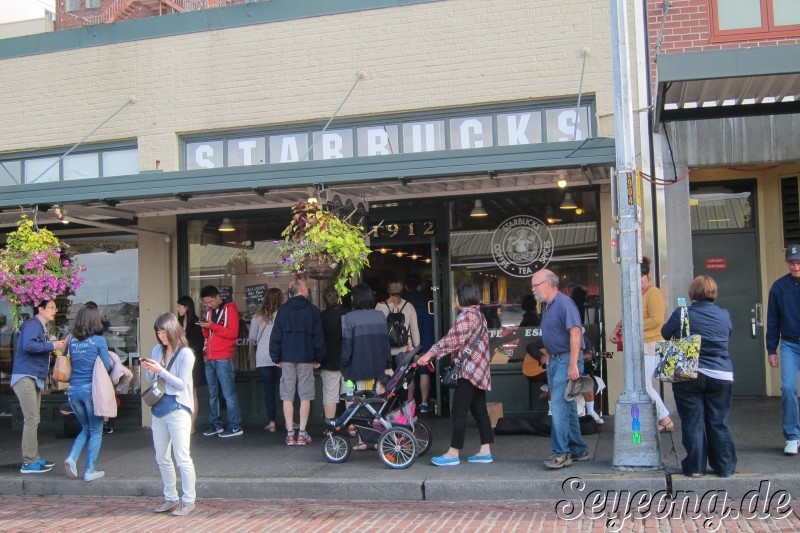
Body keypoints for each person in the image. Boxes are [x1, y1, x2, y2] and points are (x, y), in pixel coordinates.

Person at [662, 275, 735, 478]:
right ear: (714, 292)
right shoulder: (724, 314)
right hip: (721, 373)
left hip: (689, 372)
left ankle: (695, 467)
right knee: (718, 421)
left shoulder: (682, 313)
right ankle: (725, 467)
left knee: (693, 421)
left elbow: (665, 333)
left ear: (692, 293)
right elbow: (728, 334)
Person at [418, 283, 493, 466]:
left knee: (458, 411)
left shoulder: (467, 316)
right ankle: (485, 451)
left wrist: (429, 355)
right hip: (479, 371)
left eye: (457, 296)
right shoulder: (480, 315)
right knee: (480, 411)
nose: (455, 299)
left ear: (462, 297)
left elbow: (450, 341)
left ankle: (453, 453)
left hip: (468, 371)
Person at [531, 269, 589, 469]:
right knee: (568, 406)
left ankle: (560, 453)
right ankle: (578, 449)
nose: (533, 290)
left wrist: (573, 363)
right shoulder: (549, 305)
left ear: (548, 284)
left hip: (566, 361)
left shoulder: (564, 303)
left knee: (558, 406)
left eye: (535, 285)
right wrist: (549, 355)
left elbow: (575, 334)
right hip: (557, 360)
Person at [141, 312, 197, 516]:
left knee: (182, 456)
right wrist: (149, 369)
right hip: (159, 408)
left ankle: (189, 499)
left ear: (173, 330)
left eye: (163, 331)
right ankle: (170, 497)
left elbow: (182, 384)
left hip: (178, 408)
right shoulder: (157, 349)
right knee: (162, 457)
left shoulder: (185, 354)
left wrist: (161, 371)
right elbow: (152, 380)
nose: (161, 335)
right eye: (158, 332)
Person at [11, 300, 66, 474]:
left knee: (34, 419)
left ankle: (33, 457)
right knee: (32, 419)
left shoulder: (38, 326)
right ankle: (28, 462)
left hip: (31, 377)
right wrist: (52, 345)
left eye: (55, 308)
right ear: (40, 309)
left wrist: (51, 345)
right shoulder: (33, 324)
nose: (54, 311)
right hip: (25, 376)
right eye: (50, 307)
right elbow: (28, 346)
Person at [269, 279, 326, 446]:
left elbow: (276, 336)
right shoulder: (313, 310)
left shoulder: (283, 311)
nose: (308, 289)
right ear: (301, 289)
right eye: (306, 287)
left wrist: (276, 357)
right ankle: (301, 433)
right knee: (305, 395)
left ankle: (289, 433)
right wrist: (319, 357)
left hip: (286, 357)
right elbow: (318, 337)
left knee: (287, 395)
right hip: (306, 357)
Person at [64, 306, 111, 481]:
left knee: (86, 427)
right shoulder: (99, 341)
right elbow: (106, 367)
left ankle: (72, 457)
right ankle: (89, 470)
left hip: (72, 390)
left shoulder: (71, 340)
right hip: (91, 390)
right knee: (97, 430)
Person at [767, 245, 800, 455]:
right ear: (787, 263)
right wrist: (771, 349)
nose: (795, 266)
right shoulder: (779, 287)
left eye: (798, 262)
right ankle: (793, 436)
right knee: (788, 388)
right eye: (792, 262)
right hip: (789, 344)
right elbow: (773, 320)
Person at [199, 285, 243, 438]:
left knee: (228, 393)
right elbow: (207, 335)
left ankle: (235, 425)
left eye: (210, 302)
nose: (208, 305)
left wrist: (212, 326)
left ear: (218, 297)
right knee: (213, 393)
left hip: (223, 356)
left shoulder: (230, 309)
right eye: (206, 303)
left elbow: (232, 333)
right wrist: (205, 327)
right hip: (210, 357)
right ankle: (216, 423)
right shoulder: (210, 312)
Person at [637, 257, 673, 432]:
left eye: (640, 277)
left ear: (647, 276)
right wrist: (618, 329)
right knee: (643, 384)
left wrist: (632, 327)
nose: (638, 281)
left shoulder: (654, 293)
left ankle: (664, 418)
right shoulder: (640, 294)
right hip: (643, 343)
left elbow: (657, 320)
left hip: (651, 343)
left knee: (644, 385)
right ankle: (661, 418)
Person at [376, 279, 420, 397]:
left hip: (386, 352)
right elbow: (415, 332)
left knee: (386, 381)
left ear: (388, 290)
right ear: (402, 290)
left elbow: (377, 333)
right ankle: (408, 402)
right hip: (404, 349)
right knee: (407, 378)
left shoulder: (380, 306)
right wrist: (415, 345)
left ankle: (387, 405)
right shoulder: (409, 306)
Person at [249, 288, 284, 432]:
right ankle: (290, 419)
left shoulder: (258, 315)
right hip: (281, 357)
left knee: (268, 390)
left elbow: (251, 337)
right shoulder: (284, 314)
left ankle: (272, 422)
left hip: (263, 357)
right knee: (286, 390)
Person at [403, 275, 435, 412]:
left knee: (408, 373)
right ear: (419, 286)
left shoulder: (403, 303)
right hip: (426, 340)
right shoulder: (428, 302)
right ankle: (424, 403)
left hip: (408, 343)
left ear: (405, 287)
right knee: (424, 372)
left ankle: (409, 403)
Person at [177, 295, 206, 435]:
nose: (178, 309)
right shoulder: (177, 322)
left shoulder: (196, 323)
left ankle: (192, 424)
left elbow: (197, 345)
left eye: (180, 306)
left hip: (194, 361)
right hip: (179, 361)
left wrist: (184, 342)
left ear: (187, 307)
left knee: (192, 391)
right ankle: (182, 423)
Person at [319, 287, 349, 422]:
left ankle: (330, 426)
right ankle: (352, 425)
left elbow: (319, 340)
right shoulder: (349, 314)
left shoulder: (322, 316)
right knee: (350, 394)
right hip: (348, 362)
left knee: (330, 394)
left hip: (329, 361)